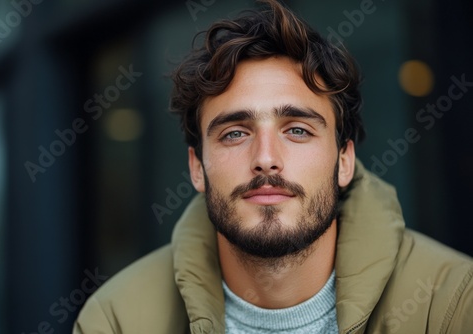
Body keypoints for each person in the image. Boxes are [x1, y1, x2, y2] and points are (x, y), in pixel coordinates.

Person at [73, 1, 473, 333]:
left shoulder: (454, 303)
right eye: (234, 133)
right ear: (197, 167)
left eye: (297, 130)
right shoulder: (117, 320)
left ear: (345, 160)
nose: (265, 157)